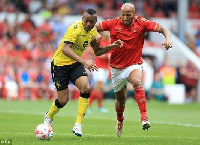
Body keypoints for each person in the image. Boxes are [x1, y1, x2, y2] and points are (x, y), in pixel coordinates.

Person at [95, 3, 172, 137]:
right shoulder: (113, 23)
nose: (125, 17)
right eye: (123, 14)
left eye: (128, 15)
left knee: (137, 82)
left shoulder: (142, 23)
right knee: (121, 101)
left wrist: (168, 39)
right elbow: (94, 27)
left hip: (133, 64)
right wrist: (97, 36)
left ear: (134, 14)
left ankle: (144, 118)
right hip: (116, 68)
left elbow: (162, 28)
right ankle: (120, 120)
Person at [43, 8, 123, 137]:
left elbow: (97, 52)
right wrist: (84, 61)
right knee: (63, 100)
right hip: (60, 65)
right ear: (82, 19)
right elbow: (65, 49)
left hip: (75, 64)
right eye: (86, 21)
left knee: (86, 88)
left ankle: (78, 124)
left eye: (92, 22)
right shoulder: (74, 29)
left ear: (95, 22)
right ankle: (49, 116)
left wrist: (112, 46)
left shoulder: (93, 33)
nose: (88, 24)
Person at [87, 31, 111, 113]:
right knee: (99, 86)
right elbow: (89, 50)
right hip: (98, 67)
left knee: (100, 88)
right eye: (106, 31)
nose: (107, 33)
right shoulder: (99, 41)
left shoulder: (111, 42)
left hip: (106, 68)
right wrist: (100, 55)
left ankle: (99, 107)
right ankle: (88, 106)